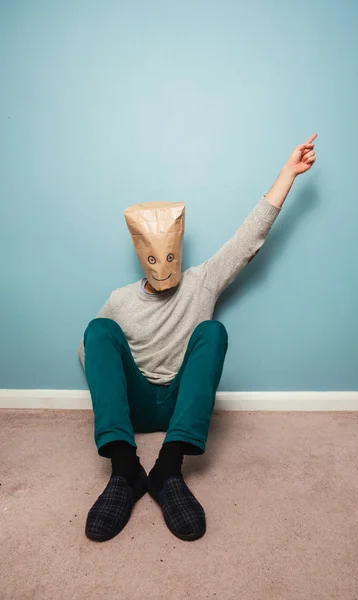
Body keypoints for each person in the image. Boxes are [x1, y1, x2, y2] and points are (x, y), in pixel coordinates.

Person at [78, 134, 317, 542]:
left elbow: (247, 241)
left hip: (181, 410)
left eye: (168, 254)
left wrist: (286, 174)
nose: (162, 263)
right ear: (142, 253)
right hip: (134, 406)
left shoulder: (202, 282)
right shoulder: (119, 300)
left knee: (212, 331)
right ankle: (124, 471)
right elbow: (91, 353)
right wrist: (119, 382)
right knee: (97, 329)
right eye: (153, 256)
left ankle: (168, 470)